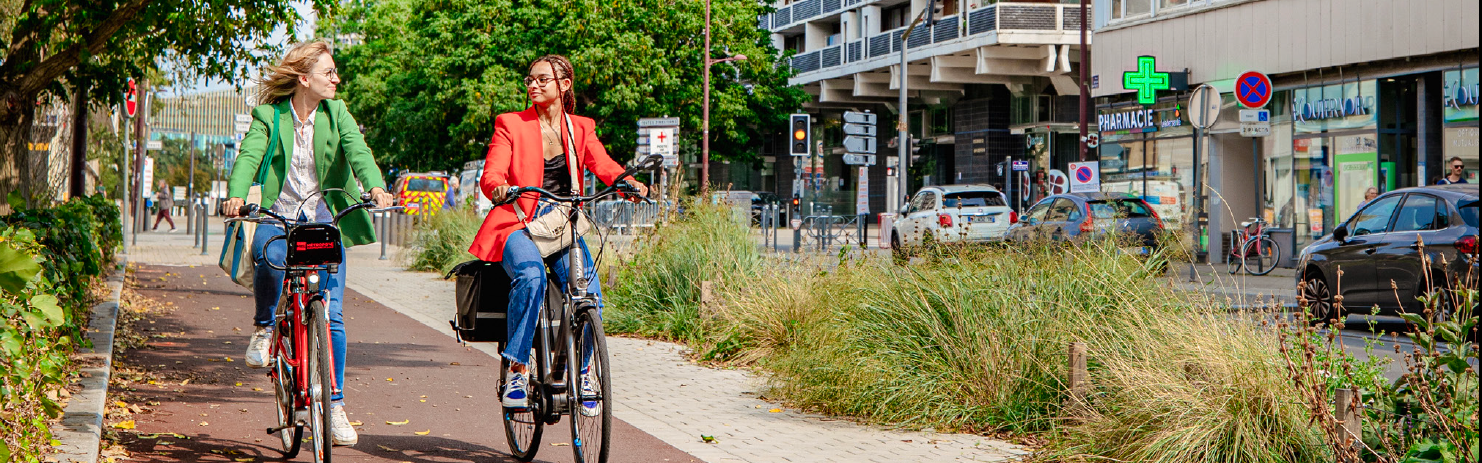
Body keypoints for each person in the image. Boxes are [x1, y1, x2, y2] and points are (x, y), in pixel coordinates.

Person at [222, 41, 393, 447]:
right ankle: (265, 328)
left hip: (322, 216)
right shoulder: (269, 115)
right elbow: (249, 155)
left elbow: (358, 152)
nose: (336, 79)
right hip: (279, 212)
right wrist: (237, 193)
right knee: (269, 257)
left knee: (331, 316)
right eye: (329, 72)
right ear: (304, 79)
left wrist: (375, 186)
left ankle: (333, 405)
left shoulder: (338, 113)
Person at [467, 55, 647, 411]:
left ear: (564, 85)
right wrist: (499, 188)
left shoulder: (580, 127)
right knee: (531, 276)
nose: (533, 85)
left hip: (562, 225)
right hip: (518, 223)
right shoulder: (511, 124)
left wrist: (627, 183)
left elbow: (603, 164)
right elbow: (493, 172)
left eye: (542, 80)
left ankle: (582, 373)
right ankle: (517, 367)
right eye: (529, 80)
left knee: (590, 294)